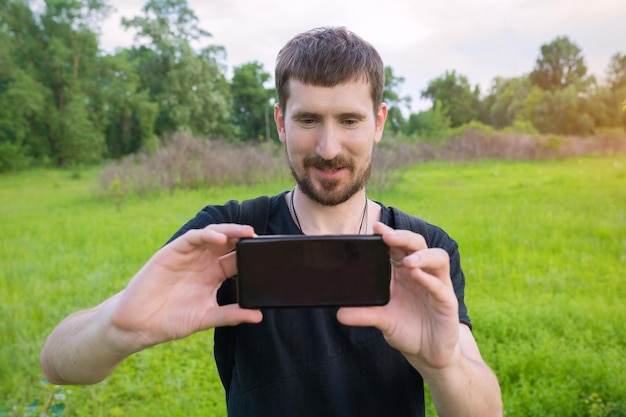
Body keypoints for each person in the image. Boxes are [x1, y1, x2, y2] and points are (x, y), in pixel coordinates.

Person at [40, 26, 502, 416]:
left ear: (378, 122)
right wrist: (120, 329)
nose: (327, 147)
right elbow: (57, 363)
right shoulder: (226, 235)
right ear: (280, 121)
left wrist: (444, 367)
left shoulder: (422, 248)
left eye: (348, 120)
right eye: (307, 120)